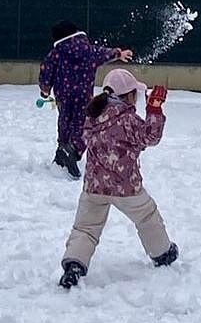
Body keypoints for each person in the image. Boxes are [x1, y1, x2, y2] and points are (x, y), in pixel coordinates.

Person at [58, 68, 178, 288]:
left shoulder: (92, 115)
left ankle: (74, 265)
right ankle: (162, 253)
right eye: (136, 94)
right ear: (129, 95)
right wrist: (154, 109)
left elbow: (86, 137)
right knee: (147, 217)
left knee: (85, 228)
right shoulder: (128, 119)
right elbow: (150, 137)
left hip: (94, 187)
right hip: (126, 187)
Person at [38, 20, 131, 179]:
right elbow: (102, 53)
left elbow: (46, 72)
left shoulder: (56, 53)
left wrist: (45, 90)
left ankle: (63, 147)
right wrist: (118, 53)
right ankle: (74, 150)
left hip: (64, 95)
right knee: (81, 123)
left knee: (65, 119)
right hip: (83, 95)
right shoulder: (88, 50)